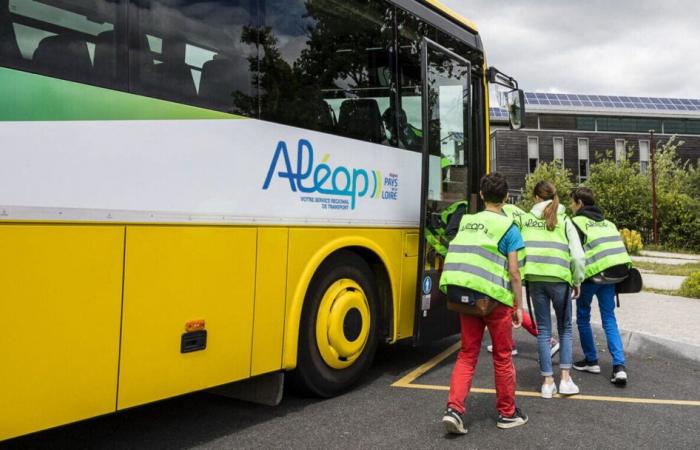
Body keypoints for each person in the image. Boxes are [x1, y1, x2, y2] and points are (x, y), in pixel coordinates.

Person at [439, 173, 528, 435]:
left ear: (480, 195)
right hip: (494, 300)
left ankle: (454, 410)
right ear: (506, 198)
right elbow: (514, 272)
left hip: (465, 296)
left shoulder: (467, 221)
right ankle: (507, 413)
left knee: (467, 354)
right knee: (502, 356)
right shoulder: (509, 227)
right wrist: (518, 307)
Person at [520, 181, 585, 398]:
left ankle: (547, 383)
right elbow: (577, 255)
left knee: (544, 331)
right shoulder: (564, 219)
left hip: (535, 279)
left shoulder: (526, 219)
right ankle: (565, 380)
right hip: (559, 279)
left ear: (536, 198)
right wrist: (577, 280)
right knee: (565, 328)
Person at [569, 187, 632, 386]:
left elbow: (576, 254)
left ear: (579, 202)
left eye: (572, 202)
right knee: (609, 319)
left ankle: (591, 360)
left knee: (583, 316)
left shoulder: (576, 222)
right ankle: (619, 367)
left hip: (591, 277)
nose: (571, 206)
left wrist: (574, 280)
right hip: (613, 275)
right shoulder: (608, 223)